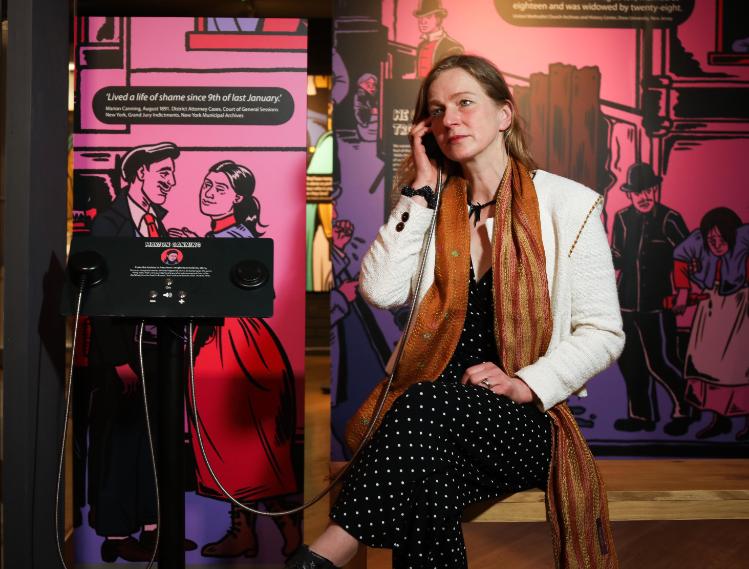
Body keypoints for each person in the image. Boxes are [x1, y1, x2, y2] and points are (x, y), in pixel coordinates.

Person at [286, 55, 625, 569]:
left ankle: (325, 553)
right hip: (428, 421)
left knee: (421, 409)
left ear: (504, 115)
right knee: (426, 486)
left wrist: (526, 382)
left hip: (520, 420)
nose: (450, 120)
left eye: (466, 103)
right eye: (437, 110)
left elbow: (603, 331)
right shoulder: (433, 207)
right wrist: (420, 190)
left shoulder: (568, 205)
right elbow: (379, 290)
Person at [180, 160, 302, 559]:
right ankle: (255, 531)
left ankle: (282, 528)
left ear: (238, 198)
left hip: (234, 346)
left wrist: (193, 255)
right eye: (206, 183)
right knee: (237, 445)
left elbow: (220, 289)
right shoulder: (220, 235)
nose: (209, 191)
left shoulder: (233, 237)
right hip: (222, 342)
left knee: (247, 444)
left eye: (220, 187)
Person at [88, 142, 198, 561]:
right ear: (138, 177)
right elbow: (97, 300)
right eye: (163, 174)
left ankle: (154, 528)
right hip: (122, 358)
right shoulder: (109, 226)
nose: (171, 182)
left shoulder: (158, 224)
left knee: (155, 441)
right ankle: (116, 535)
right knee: (122, 443)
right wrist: (118, 361)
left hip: (154, 352)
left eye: (172, 174)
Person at [610, 162, 696, 435]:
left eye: (648, 190)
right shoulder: (622, 218)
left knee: (661, 361)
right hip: (625, 302)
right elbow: (617, 257)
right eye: (638, 192)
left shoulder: (670, 218)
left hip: (658, 304)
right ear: (630, 195)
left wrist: (683, 292)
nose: (644, 196)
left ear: (655, 190)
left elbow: (688, 259)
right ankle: (641, 416)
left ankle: (685, 408)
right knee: (630, 361)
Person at [673, 208, 749, 440]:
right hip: (712, 305)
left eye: (722, 238)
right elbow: (679, 256)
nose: (717, 244)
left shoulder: (743, 236)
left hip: (739, 305)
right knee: (707, 363)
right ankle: (719, 420)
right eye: (712, 239)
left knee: (739, 367)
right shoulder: (697, 241)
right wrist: (684, 292)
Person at [412, 0, 463, 78]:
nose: (422, 22)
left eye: (428, 17)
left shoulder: (453, 47)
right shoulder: (421, 45)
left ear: (438, 18)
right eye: (420, 18)